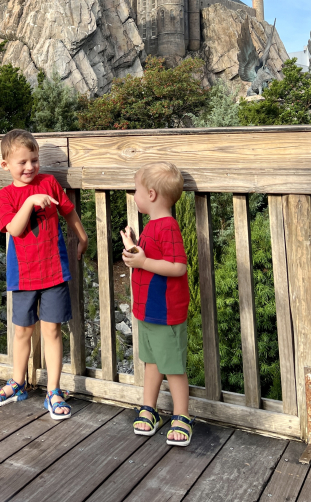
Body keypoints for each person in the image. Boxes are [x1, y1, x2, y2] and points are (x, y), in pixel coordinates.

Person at [0, 129, 88, 419]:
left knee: (53, 330)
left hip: (54, 270)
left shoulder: (49, 183)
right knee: (22, 330)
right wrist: (31, 203)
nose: (30, 167)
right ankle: (17, 382)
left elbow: (68, 211)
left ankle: (53, 390)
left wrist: (82, 237)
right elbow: (15, 229)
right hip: (23, 273)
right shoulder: (5, 196)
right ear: (6, 165)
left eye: (34, 160)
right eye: (22, 162)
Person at [121, 161, 193, 445]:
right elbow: (151, 261)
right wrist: (136, 250)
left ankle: (182, 415)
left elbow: (178, 267)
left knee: (173, 366)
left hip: (166, 312)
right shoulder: (152, 226)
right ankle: (149, 409)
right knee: (152, 362)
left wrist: (143, 261)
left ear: (150, 194)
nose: (134, 196)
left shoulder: (168, 226)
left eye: (136, 191)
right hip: (148, 310)